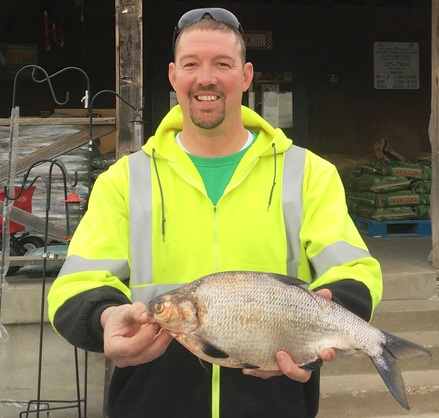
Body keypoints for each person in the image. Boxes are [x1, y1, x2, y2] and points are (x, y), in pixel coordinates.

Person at [48, 7, 382, 418]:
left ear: (245, 75)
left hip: (276, 404)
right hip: (151, 404)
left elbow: (354, 272)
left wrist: (321, 327)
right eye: (192, 64)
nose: (206, 78)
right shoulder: (125, 180)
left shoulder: (308, 173)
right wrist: (104, 318)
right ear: (174, 76)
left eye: (222, 64)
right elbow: (74, 286)